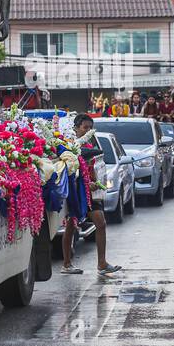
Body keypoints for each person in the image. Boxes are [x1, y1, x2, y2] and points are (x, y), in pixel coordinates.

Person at [60, 114, 122, 278]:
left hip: (90, 192)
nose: (87, 130)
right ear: (76, 128)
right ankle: (67, 264)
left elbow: (91, 168)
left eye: (90, 128)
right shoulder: (67, 146)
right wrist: (86, 184)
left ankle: (101, 263)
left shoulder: (88, 145)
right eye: (84, 127)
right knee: (72, 225)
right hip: (77, 191)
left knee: (98, 223)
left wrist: (93, 181)